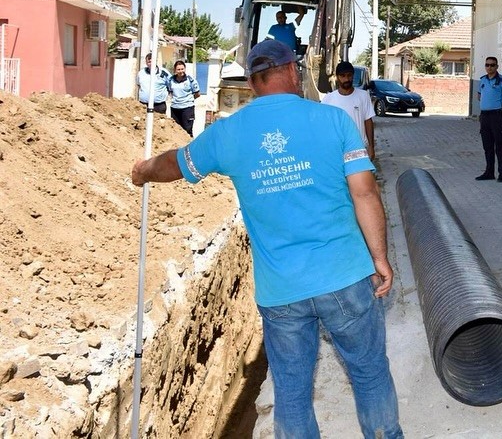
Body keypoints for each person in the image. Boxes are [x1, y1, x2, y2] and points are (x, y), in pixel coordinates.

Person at [130, 39, 402, 438]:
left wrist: (142, 171)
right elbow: (364, 192)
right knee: (369, 372)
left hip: (282, 292)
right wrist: (380, 257)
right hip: (345, 276)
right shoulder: (333, 121)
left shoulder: (229, 133)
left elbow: (175, 163)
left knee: (291, 391)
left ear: (253, 82)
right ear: (293, 70)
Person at [323, 61, 376, 160]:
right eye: (342, 76)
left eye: (349, 75)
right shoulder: (328, 99)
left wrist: (371, 147)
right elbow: (324, 126)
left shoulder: (363, 96)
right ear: (337, 77)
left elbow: (368, 121)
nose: (346, 79)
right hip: (337, 150)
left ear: (353, 76)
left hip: (360, 149)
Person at [475, 56, 502, 182]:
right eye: (487, 65)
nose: (489, 67)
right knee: (487, 146)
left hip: (497, 116)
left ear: (497, 66)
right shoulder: (482, 80)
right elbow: (479, 96)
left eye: (492, 65)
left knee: (500, 146)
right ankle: (489, 172)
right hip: (485, 116)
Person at [168, 59, 200, 136]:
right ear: (175, 70)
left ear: (185, 69)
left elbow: (197, 94)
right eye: (178, 69)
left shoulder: (191, 80)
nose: (180, 71)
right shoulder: (171, 80)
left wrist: (187, 100)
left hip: (187, 108)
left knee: (187, 131)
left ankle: (188, 147)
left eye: (182, 69)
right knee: (175, 130)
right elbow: (170, 92)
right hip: (175, 108)